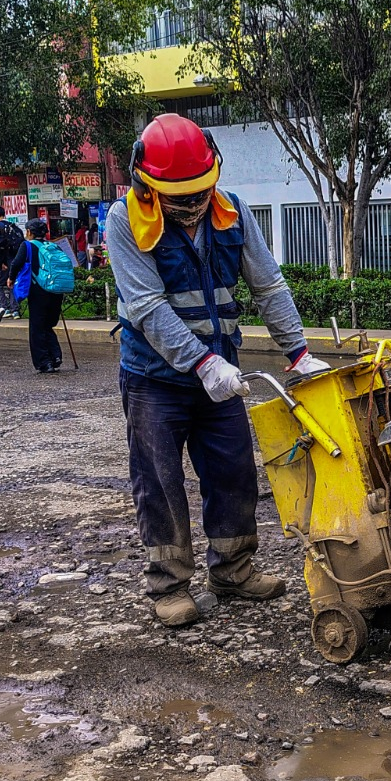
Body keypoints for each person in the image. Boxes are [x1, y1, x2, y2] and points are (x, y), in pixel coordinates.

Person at [108, 113, 329, 627]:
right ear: (148, 182)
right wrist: (201, 361)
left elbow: (268, 286)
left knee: (234, 474)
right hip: (154, 378)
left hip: (219, 374)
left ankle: (232, 569)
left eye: (199, 193)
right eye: (178, 198)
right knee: (159, 482)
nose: (191, 207)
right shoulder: (126, 221)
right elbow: (145, 306)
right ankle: (168, 585)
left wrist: (298, 351)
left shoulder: (232, 213)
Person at [6, 217, 67, 373]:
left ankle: (44, 362)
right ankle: (56, 357)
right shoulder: (53, 246)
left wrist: (11, 279)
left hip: (38, 291)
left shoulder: (27, 246)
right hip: (56, 291)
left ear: (29, 232)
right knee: (49, 325)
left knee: (37, 327)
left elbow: (16, 263)